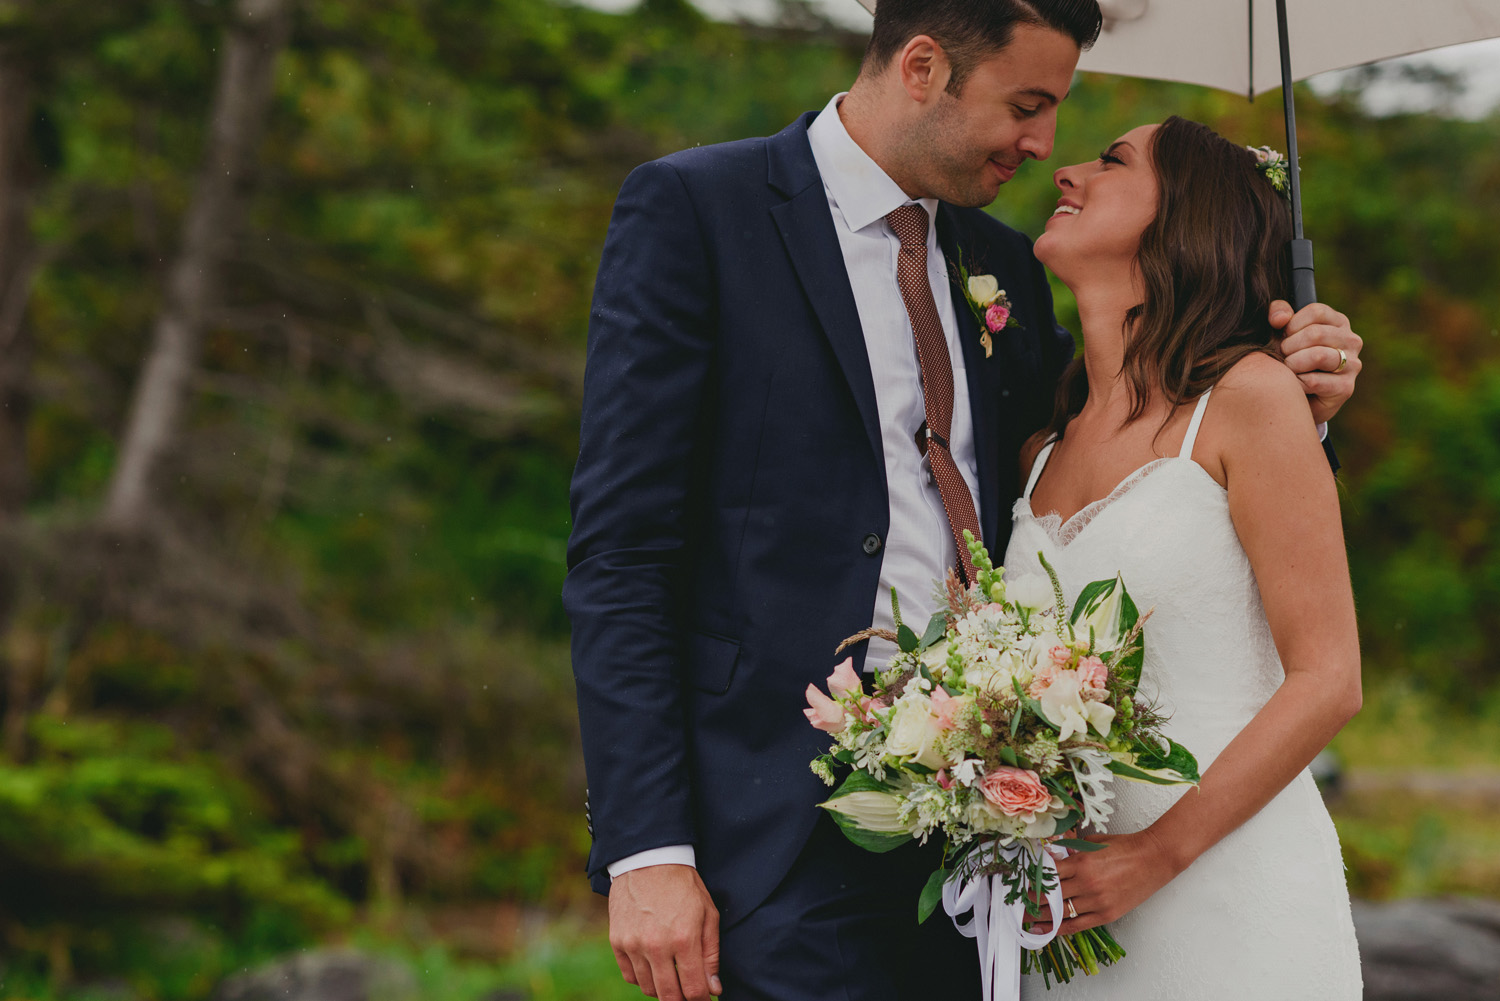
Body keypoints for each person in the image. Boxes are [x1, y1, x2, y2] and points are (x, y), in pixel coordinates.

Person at [563, 2, 1364, 998]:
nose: (1045, 148)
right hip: (770, 840)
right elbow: (623, 554)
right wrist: (648, 848)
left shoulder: (1007, 276)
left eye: (1061, 115)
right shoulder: (697, 212)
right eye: (1027, 105)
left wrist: (1305, 382)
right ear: (924, 66)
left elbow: (1148, 453)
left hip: (993, 863)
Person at [1006, 116, 1363, 999]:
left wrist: (1152, 854)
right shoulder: (1041, 451)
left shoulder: (1251, 399)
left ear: (1186, 217)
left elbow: (1329, 679)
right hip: (1073, 920)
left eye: (1113, 160)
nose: (1067, 171)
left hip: (1227, 898)